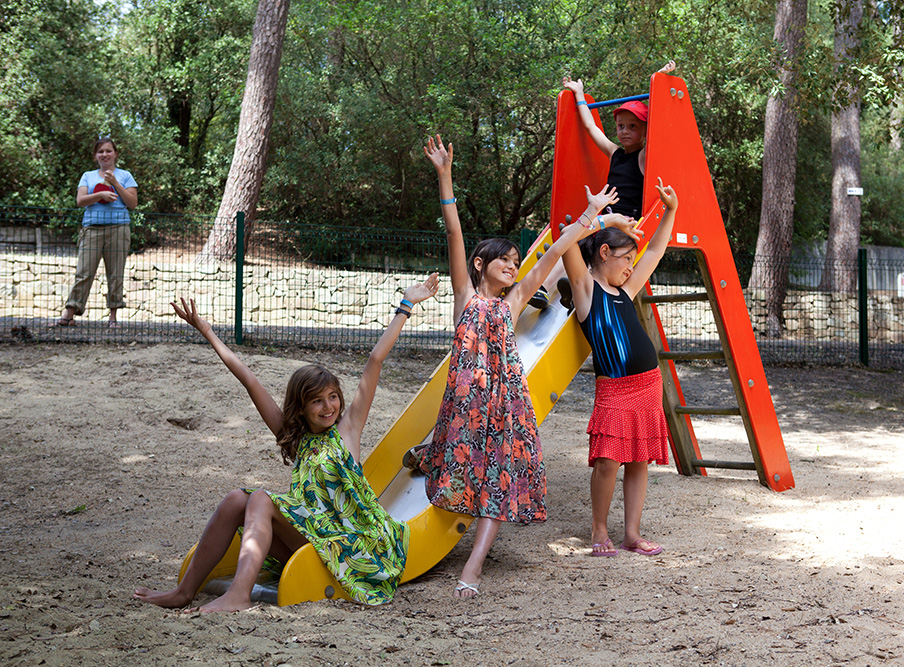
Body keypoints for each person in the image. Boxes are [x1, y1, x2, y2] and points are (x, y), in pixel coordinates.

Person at [412, 136, 641, 598]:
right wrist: (445, 176)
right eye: (505, 260)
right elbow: (454, 233)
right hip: (466, 405)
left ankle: (474, 566)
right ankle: (429, 451)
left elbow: (558, 250)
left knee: (498, 481)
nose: (513, 266)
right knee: (459, 469)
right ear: (481, 264)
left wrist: (594, 214)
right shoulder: (466, 297)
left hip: (506, 405)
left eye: (516, 262)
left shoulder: (514, 301)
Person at [132, 274, 439, 612]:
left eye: (333, 397)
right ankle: (184, 591)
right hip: (314, 539)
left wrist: (406, 305)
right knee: (236, 499)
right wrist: (207, 331)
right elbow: (249, 380)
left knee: (260, 498)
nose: (328, 406)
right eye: (317, 401)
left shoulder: (347, 430)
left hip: (352, 545)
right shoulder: (296, 439)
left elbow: (375, 360)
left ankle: (238, 595)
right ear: (301, 408)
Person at [562, 177, 679, 557]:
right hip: (614, 388)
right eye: (626, 258)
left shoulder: (626, 291)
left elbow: (655, 252)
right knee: (608, 462)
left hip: (648, 385)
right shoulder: (585, 289)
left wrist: (670, 211)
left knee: (639, 461)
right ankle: (599, 530)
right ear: (604, 253)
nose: (631, 267)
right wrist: (602, 217)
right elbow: (566, 240)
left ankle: (632, 534)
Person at [562, 61, 675, 220]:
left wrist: (659, 79)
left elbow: (657, 126)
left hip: (628, 223)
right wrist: (579, 94)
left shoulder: (643, 156)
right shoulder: (614, 153)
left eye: (633, 126)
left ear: (645, 130)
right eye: (621, 126)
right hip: (607, 220)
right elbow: (590, 127)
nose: (625, 131)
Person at [53, 138, 138, 327]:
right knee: (84, 272)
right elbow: (80, 201)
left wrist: (115, 183)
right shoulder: (88, 176)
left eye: (108, 151)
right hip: (91, 229)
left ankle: (113, 318)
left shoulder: (125, 176)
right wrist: (100, 195)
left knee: (115, 274)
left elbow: (132, 203)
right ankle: (69, 314)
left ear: (115, 154)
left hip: (119, 229)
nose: (105, 154)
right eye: (101, 151)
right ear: (95, 156)